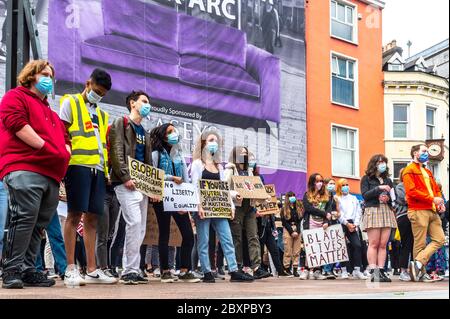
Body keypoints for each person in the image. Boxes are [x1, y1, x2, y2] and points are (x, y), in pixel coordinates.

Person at [0, 59, 71, 289]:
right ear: (31, 76)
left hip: (51, 173)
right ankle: (11, 268)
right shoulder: (15, 96)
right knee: (25, 216)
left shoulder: (50, 112)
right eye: (44, 75)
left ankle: (29, 268)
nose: (49, 80)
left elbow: (66, 139)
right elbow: (16, 123)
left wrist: (64, 154)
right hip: (24, 166)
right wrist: (46, 148)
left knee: (38, 224)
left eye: (51, 76)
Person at [60, 68, 116, 286]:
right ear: (88, 83)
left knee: (93, 218)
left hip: (98, 170)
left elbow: (102, 145)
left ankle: (92, 270)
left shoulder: (102, 114)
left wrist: (106, 171)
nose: (98, 95)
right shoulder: (70, 103)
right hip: (77, 166)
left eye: (102, 94)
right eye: (96, 90)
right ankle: (71, 268)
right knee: (74, 216)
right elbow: (62, 134)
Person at [190, 129, 253, 283]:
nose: (214, 144)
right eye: (211, 140)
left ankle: (233, 270)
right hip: (204, 208)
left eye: (217, 141)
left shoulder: (219, 166)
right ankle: (206, 271)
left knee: (227, 238)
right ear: (204, 143)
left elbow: (222, 189)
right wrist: (199, 206)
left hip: (219, 208)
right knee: (203, 241)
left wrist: (231, 205)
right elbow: (195, 186)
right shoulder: (197, 164)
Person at [109, 90, 154, 285]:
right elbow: (117, 150)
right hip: (125, 183)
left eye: (148, 102)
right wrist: (125, 176)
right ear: (132, 103)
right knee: (134, 223)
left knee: (141, 228)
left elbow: (149, 163)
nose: (147, 104)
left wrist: (153, 188)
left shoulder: (145, 132)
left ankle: (135, 269)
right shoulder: (122, 123)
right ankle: (128, 270)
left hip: (143, 185)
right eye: (144, 101)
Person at [150, 123, 199, 283]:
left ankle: (185, 270)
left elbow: (185, 178)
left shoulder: (179, 154)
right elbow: (153, 174)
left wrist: (187, 200)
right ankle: (165, 271)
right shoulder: (156, 153)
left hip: (179, 199)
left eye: (175, 131)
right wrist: (171, 178)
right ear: (163, 135)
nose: (174, 134)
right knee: (164, 233)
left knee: (188, 235)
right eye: (170, 131)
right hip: (163, 198)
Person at [225, 146, 271, 280]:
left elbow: (253, 190)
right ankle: (237, 267)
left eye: (246, 153)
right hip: (238, 207)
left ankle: (256, 267)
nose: (244, 155)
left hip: (249, 207)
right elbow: (224, 188)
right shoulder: (231, 169)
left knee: (253, 236)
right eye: (242, 153)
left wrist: (263, 197)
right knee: (237, 237)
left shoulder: (249, 171)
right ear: (235, 154)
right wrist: (234, 194)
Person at [403, 144, 446, 282]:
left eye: (427, 151)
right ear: (415, 153)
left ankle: (418, 263)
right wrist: (433, 199)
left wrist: (440, 202)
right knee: (420, 243)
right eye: (423, 151)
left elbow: (435, 189)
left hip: (431, 209)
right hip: (418, 209)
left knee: (440, 239)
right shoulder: (409, 170)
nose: (426, 153)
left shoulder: (427, 172)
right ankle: (420, 274)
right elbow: (411, 191)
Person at [360, 154, 397, 283]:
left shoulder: (388, 180)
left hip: (386, 210)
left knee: (383, 244)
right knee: (374, 243)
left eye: (384, 162)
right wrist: (378, 189)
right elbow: (365, 195)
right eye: (380, 162)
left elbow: (394, 196)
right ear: (374, 164)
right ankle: (373, 272)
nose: (382, 164)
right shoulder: (366, 179)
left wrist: (388, 199)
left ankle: (381, 270)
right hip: (373, 210)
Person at [301, 173, 332, 280]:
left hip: (322, 225)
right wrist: (324, 214)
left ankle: (317, 271)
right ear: (312, 182)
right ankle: (306, 270)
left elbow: (329, 210)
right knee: (309, 247)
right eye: (317, 181)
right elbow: (309, 208)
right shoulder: (307, 195)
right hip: (310, 223)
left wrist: (327, 221)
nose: (320, 183)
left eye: (321, 181)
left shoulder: (327, 196)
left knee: (320, 247)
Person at [335, 179, 367, 280]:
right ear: (339, 187)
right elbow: (339, 213)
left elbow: (358, 211)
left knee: (357, 245)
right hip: (342, 223)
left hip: (353, 224)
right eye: (343, 185)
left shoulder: (354, 198)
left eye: (347, 185)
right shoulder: (337, 198)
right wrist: (346, 223)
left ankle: (357, 269)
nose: (345, 187)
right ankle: (344, 270)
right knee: (343, 247)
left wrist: (356, 224)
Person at [394, 168, 414, 282]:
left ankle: (414, 269)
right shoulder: (400, 186)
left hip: (416, 215)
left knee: (416, 245)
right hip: (404, 216)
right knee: (406, 244)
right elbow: (404, 200)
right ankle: (403, 270)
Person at [281, 192, 303, 277]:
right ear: (287, 198)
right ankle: (286, 268)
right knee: (288, 250)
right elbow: (284, 222)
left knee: (297, 250)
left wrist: (297, 231)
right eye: (290, 196)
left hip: (297, 230)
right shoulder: (284, 209)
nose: (292, 197)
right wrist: (291, 232)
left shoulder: (298, 208)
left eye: (294, 196)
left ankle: (295, 269)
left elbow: (299, 220)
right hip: (288, 229)